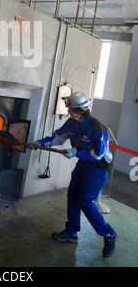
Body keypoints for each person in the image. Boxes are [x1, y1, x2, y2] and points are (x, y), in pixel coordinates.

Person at [27, 91, 117, 258]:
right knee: (73, 195)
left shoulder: (97, 128)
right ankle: (71, 232)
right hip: (83, 164)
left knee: (84, 200)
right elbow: (58, 138)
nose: (67, 110)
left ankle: (108, 233)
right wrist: (39, 143)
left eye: (70, 108)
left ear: (79, 110)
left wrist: (76, 153)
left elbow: (96, 155)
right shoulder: (71, 123)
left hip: (98, 168)